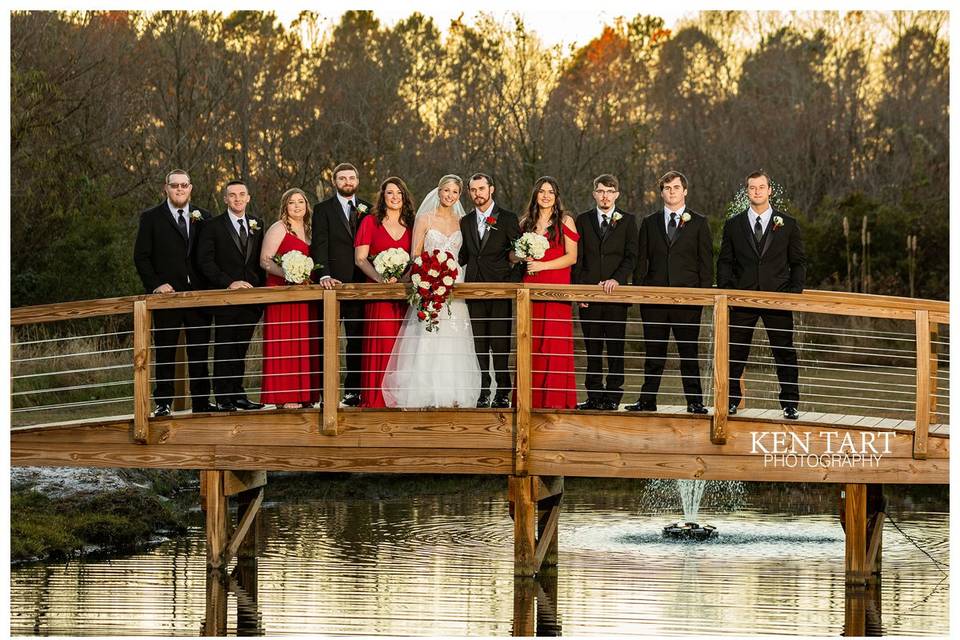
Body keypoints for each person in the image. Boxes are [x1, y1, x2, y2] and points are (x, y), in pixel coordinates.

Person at [382, 174, 482, 408]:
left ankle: (454, 393)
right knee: (428, 335)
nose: (450, 195)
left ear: (459, 195)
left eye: (455, 192)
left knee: (455, 335)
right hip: (428, 281)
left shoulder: (463, 221)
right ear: (438, 192)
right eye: (446, 190)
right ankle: (424, 392)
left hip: (455, 282)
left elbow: (466, 255)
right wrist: (427, 274)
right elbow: (415, 254)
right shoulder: (425, 218)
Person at [717, 170, 806, 420]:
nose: (757, 191)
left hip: (777, 298)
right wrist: (727, 292)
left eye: (761, 187)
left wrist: (793, 293)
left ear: (770, 190)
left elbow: (798, 261)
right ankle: (732, 401)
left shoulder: (787, 223)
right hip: (741, 299)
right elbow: (725, 261)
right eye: (752, 187)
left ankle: (790, 404)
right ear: (747, 192)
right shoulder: (733, 225)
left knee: (784, 351)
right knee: (735, 351)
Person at [627, 170, 713, 414]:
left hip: (688, 301)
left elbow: (706, 264)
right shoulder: (649, 222)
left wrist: (702, 296)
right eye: (667, 188)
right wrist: (642, 295)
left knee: (688, 352)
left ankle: (694, 401)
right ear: (661, 192)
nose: (671, 191)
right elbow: (641, 262)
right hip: (654, 302)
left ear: (684, 191)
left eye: (676, 187)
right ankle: (647, 400)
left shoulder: (699, 222)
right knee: (654, 352)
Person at [133, 169, 213, 417]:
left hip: (198, 297)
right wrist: (156, 284)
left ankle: (201, 401)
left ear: (191, 188)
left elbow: (209, 256)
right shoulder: (151, 218)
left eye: (184, 185)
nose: (179, 189)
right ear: (165, 188)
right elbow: (141, 257)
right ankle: (164, 402)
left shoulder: (204, 217)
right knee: (165, 350)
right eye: (174, 185)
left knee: (199, 349)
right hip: (166, 297)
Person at [197, 179, 265, 412]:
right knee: (225, 347)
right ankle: (223, 397)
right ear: (225, 199)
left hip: (251, 300)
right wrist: (229, 283)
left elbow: (260, 261)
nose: (237, 198)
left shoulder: (257, 223)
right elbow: (205, 261)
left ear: (248, 197)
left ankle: (238, 394)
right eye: (232, 195)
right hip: (225, 298)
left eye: (242, 194)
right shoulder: (212, 225)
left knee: (241, 348)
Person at [513, 176, 580, 409]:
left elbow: (572, 257)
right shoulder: (525, 224)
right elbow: (512, 256)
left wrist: (543, 265)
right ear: (535, 195)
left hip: (556, 290)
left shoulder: (566, 221)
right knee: (530, 344)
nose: (545, 195)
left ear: (556, 196)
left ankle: (556, 402)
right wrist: (523, 255)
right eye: (541, 191)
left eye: (550, 191)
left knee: (554, 344)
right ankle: (529, 401)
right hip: (529, 291)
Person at [573, 174, 639, 411]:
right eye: (601, 191)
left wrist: (617, 279)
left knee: (614, 348)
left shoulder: (628, 221)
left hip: (615, 297)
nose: (605, 196)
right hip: (589, 297)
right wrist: (581, 291)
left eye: (610, 192)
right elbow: (577, 259)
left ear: (617, 195)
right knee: (592, 348)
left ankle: (612, 396)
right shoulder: (582, 220)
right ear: (594, 194)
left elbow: (632, 257)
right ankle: (593, 396)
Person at [459, 173, 521, 408]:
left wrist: (511, 284)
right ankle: (484, 388)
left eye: (482, 188)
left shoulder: (507, 218)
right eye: (473, 190)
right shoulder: (465, 221)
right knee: (480, 341)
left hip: (500, 289)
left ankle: (503, 390)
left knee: (500, 341)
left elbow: (519, 253)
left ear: (491, 189)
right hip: (473, 288)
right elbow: (464, 254)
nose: (478, 194)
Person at [311, 162, 372, 407]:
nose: (347, 182)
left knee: (357, 340)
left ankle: (353, 391)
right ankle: (326, 393)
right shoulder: (322, 209)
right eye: (342, 178)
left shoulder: (368, 208)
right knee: (328, 340)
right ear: (334, 182)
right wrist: (324, 274)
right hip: (332, 286)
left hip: (360, 285)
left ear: (357, 180)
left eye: (351, 178)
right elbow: (319, 244)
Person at [354, 178, 414, 408]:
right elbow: (360, 259)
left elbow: (415, 258)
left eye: (399, 192)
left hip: (404, 295)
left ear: (404, 196)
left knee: (405, 344)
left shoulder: (410, 223)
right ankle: (376, 398)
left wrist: (403, 279)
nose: (395, 197)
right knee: (383, 342)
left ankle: (400, 397)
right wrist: (380, 279)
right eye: (390, 193)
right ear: (383, 196)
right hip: (379, 294)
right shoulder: (370, 221)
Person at [259, 188, 321, 409]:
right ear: (285, 206)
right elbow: (265, 261)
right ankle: (284, 396)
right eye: (292, 203)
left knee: (305, 343)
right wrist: (289, 274)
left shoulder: (311, 229)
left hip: (307, 296)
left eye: (301, 202)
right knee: (285, 342)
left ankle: (306, 394)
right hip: (282, 293)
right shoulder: (279, 228)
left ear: (307, 205)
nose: (297, 206)